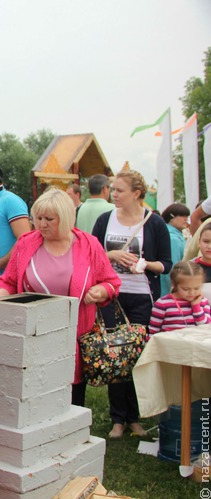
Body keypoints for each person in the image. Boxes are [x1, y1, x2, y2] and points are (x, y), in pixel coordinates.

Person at [0, 188, 121, 407]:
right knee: (35, 390)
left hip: (74, 333)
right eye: (38, 218)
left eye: (49, 219)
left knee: (71, 394)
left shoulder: (89, 245)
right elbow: (9, 281)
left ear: (66, 218)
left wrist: (101, 291)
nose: (42, 224)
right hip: (34, 332)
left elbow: (112, 282)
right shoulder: (26, 242)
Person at [91, 169, 172, 438]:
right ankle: (117, 418)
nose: (113, 194)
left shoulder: (155, 222)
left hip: (142, 297)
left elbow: (166, 264)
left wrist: (145, 264)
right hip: (111, 296)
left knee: (135, 357)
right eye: (113, 189)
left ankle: (135, 418)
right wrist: (110, 254)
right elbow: (89, 257)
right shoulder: (105, 220)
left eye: (119, 190)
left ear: (137, 193)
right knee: (115, 355)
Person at [148, 261, 210, 336]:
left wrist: (196, 306)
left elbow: (206, 327)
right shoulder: (163, 303)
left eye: (196, 288)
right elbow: (153, 330)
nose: (192, 293)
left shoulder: (203, 302)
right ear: (174, 284)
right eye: (186, 289)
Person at [160, 203, 190, 297]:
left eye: (186, 216)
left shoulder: (173, 235)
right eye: (181, 215)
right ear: (171, 217)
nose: (185, 219)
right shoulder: (172, 238)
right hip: (168, 289)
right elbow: (173, 267)